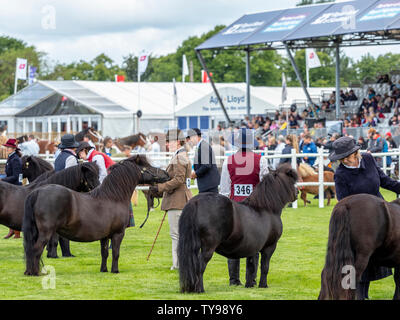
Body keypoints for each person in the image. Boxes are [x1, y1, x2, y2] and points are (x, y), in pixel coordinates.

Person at [329, 136, 400, 300]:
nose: (346, 162)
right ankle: (354, 294)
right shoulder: (340, 174)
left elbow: (385, 181)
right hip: (359, 219)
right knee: (359, 257)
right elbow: (343, 201)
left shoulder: (368, 159)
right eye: (343, 160)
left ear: (356, 153)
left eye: (349, 158)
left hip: (381, 215)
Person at [219, 128, 269, 286]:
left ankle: (233, 280)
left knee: (232, 241)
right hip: (254, 207)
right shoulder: (261, 159)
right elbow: (264, 183)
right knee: (254, 241)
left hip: (235, 205)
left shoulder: (229, 160)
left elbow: (225, 188)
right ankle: (251, 279)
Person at [149, 129, 192, 270]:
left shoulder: (180, 157)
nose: (167, 144)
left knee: (176, 234)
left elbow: (179, 179)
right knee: (180, 234)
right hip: (181, 198)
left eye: (170, 141)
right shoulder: (180, 155)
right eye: (167, 142)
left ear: (178, 142)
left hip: (178, 200)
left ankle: (178, 264)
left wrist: (160, 187)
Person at [188, 128, 220, 193]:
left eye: (190, 138)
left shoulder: (203, 146)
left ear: (195, 137)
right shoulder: (201, 146)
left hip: (209, 184)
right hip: (207, 183)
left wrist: (195, 174)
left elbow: (206, 165)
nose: (190, 140)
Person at [2, 139, 23, 239]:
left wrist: (2, 180)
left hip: (15, 187)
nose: (7, 149)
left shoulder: (15, 159)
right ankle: (12, 230)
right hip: (10, 186)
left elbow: (15, 176)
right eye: (7, 148)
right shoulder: (11, 157)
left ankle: (17, 233)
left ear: (13, 148)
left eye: (9, 148)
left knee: (15, 210)